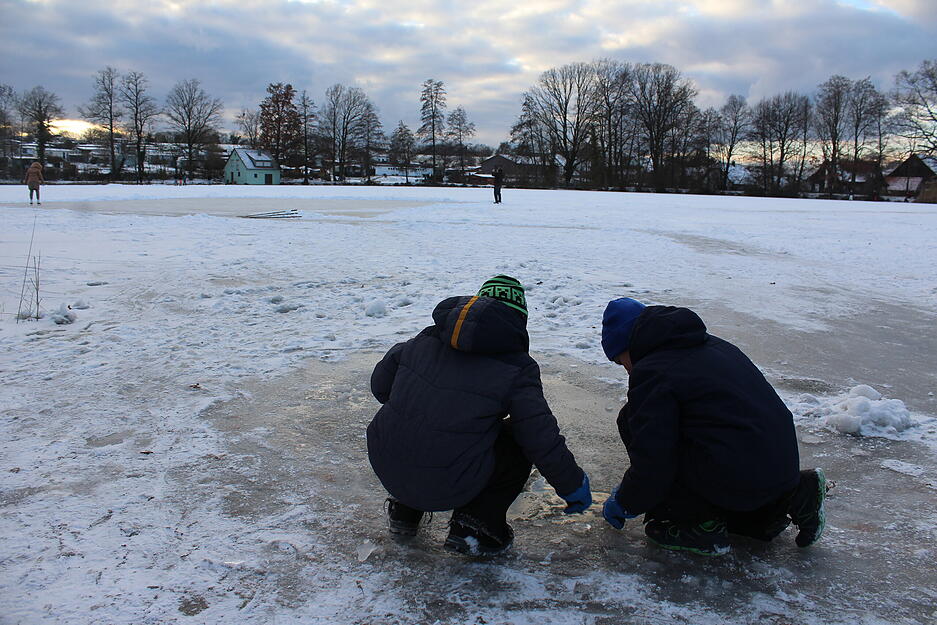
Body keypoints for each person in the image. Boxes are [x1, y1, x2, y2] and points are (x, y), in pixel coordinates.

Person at [368, 275, 592, 556]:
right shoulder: (517, 367)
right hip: (444, 478)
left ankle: (404, 512)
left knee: (421, 418)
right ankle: (475, 527)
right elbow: (539, 437)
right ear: (518, 320)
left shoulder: (425, 339)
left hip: (387, 464)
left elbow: (380, 387)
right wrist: (571, 485)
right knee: (516, 440)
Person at [599, 298, 827, 556]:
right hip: (781, 469)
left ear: (629, 344)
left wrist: (626, 501)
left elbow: (654, 460)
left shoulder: (653, 371)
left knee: (631, 419)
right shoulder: (712, 345)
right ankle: (797, 494)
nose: (627, 370)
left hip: (739, 475)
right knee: (750, 525)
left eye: (621, 361)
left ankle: (696, 523)